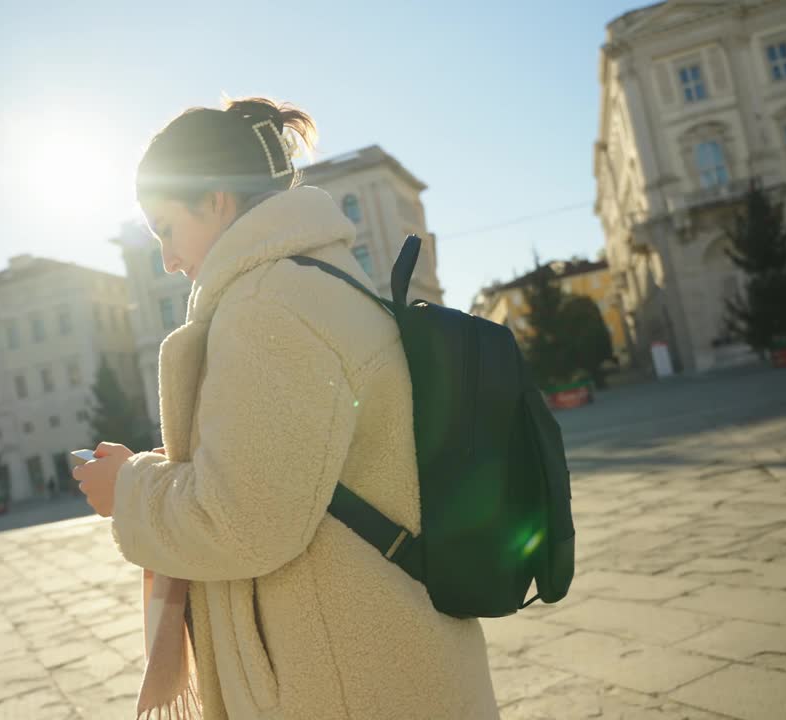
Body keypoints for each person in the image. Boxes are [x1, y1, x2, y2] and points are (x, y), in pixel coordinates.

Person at [75, 98, 498, 720]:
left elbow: (241, 521)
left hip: (346, 681)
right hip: (388, 653)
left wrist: (128, 489)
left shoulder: (268, 305)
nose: (167, 259)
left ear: (216, 199)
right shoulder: (316, 280)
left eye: (167, 227)